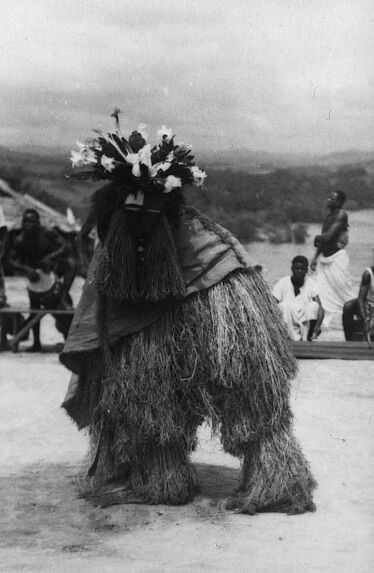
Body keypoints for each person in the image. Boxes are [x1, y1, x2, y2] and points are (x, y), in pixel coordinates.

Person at [60, 115, 316, 515]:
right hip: (192, 309)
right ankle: (164, 476)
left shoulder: (206, 257)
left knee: (241, 401)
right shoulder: (147, 252)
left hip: (221, 312)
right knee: (148, 397)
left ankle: (268, 479)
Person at [8, 208, 76, 351]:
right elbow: (10, 261)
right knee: (34, 311)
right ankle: (36, 343)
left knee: (64, 309)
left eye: (31, 222)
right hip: (35, 279)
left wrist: (51, 257)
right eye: (25, 221)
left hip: (53, 273)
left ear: (38, 223)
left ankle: (68, 341)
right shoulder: (20, 240)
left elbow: (66, 246)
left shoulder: (48, 233)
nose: (27, 225)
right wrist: (26, 270)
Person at [310, 190, 354, 329]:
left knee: (344, 293)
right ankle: (324, 324)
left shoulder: (341, 215)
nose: (328, 200)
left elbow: (328, 237)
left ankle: (352, 318)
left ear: (339, 202)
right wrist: (315, 257)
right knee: (321, 293)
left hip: (337, 260)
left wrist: (317, 238)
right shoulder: (329, 216)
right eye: (328, 197)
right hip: (324, 260)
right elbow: (324, 239)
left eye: (331, 198)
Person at [273, 255, 324, 341]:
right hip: (287, 323)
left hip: (305, 324)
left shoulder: (311, 283)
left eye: (302, 269)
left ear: (306, 271)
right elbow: (271, 305)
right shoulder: (283, 282)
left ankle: (308, 337)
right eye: (297, 269)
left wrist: (317, 327)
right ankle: (287, 338)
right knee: (283, 306)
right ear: (292, 269)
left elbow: (321, 309)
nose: (299, 271)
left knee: (314, 306)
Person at [343, 265, 374, 342]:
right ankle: (350, 343)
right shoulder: (368, 274)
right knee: (348, 306)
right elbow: (361, 299)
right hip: (369, 304)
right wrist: (365, 320)